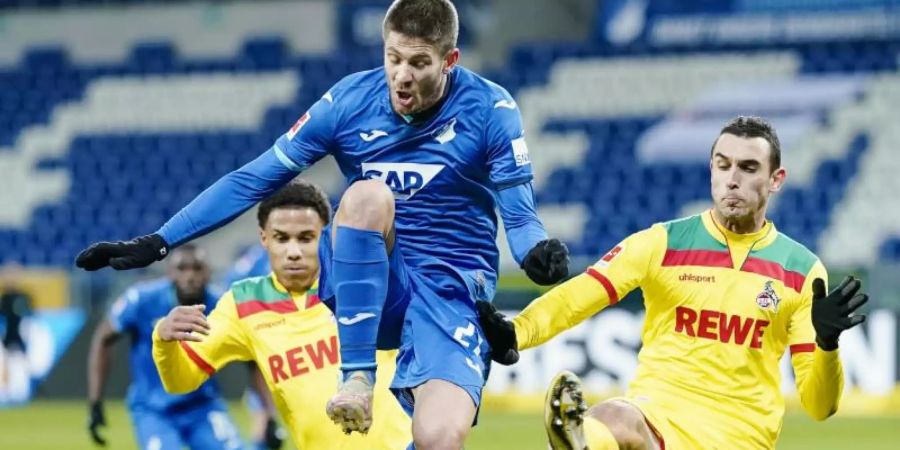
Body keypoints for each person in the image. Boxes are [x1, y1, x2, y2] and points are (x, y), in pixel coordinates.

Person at [75, 0, 569, 447]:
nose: (401, 75)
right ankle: (356, 378)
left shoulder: (492, 109)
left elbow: (520, 218)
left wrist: (536, 255)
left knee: (439, 437)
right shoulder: (348, 103)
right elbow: (254, 178)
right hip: (374, 277)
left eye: (418, 63)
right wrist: (160, 241)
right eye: (393, 58)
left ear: (449, 61)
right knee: (365, 195)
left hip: (452, 289)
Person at [478, 116, 869, 449]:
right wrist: (517, 331)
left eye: (748, 168)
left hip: (741, 435)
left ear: (776, 179)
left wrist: (827, 344)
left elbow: (820, 406)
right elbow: (585, 291)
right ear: (711, 169)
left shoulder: (802, 270)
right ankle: (581, 441)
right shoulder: (663, 242)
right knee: (615, 417)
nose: (732, 179)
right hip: (657, 416)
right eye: (722, 165)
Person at [151, 180, 411, 449]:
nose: (294, 252)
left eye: (306, 238)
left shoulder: (362, 280)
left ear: (325, 235)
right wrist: (163, 341)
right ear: (264, 238)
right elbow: (181, 381)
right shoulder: (243, 304)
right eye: (282, 238)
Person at [86, 245, 245, 449]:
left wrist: (266, 413)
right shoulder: (141, 300)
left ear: (208, 272)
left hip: (203, 406)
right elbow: (103, 337)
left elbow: (252, 358)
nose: (190, 276)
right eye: (182, 268)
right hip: (154, 410)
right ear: (170, 272)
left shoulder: (222, 305)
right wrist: (95, 401)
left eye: (197, 268)